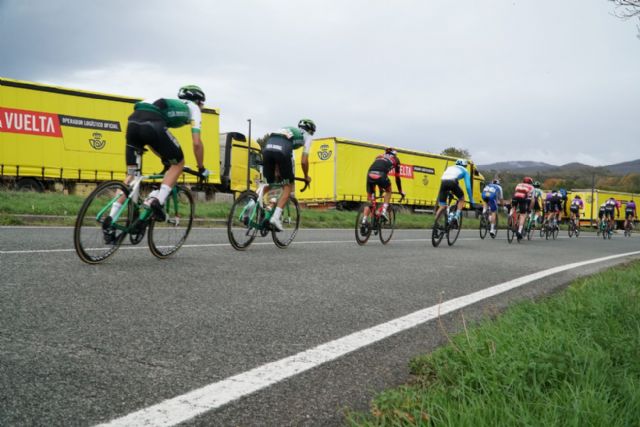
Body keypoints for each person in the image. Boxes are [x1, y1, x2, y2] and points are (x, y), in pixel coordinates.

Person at [105, 85, 210, 241]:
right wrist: (201, 168)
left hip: (133, 122)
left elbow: (155, 142)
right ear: (199, 101)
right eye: (202, 105)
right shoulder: (193, 108)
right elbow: (196, 143)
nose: (201, 108)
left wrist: (165, 158)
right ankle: (157, 201)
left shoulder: (172, 103)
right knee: (179, 164)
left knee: (131, 177)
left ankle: (110, 221)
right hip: (152, 124)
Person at [261, 119, 315, 231]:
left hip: (268, 147)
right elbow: (304, 161)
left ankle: (258, 210)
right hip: (282, 151)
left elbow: (277, 149)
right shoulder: (308, 137)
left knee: (269, 184)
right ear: (310, 130)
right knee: (288, 187)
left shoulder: (288, 129)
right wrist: (306, 176)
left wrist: (277, 170)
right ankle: (275, 218)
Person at [362, 147, 406, 224]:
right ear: (395, 154)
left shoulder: (379, 156)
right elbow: (397, 178)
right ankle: (383, 211)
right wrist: (400, 191)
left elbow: (377, 170)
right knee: (389, 191)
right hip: (381, 175)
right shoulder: (396, 159)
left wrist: (380, 189)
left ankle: (363, 221)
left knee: (370, 201)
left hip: (369, 174)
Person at [435, 159, 475, 226]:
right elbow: (468, 187)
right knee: (462, 199)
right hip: (452, 182)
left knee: (442, 206)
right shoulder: (465, 171)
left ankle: (436, 225)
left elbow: (448, 179)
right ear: (465, 165)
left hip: (443, 182)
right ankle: (456, 217)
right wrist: (471, 199)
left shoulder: (450, 168)